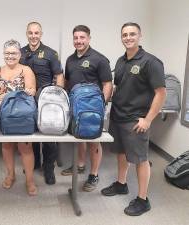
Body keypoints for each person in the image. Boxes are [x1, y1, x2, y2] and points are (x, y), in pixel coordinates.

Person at [101, 22, 166, 216]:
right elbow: (118, 87)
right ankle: (121, 184)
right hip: (118, 115)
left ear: (140, 36)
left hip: (136, 120)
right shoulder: (121, 61)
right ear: (121, 37)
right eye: (125, 35)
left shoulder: (151, 62)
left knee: (140, 159)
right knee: (121, 153)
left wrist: (148, 119)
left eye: (132, 34)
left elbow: (161, 93)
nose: (128, 38)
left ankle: (143, 199)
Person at [63, 25, 113, 192]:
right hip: (76, 107)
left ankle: (94, 175)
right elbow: (67, 82)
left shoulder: (100, 59)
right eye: (76, 38)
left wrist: (102, 105)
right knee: (79, 136)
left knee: (94, 141)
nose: (78, 41)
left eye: (82, 37)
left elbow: (107, 84)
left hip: (94, 108)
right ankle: (81, 165)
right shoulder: (70, 59)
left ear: (89, 38)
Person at [0, 39, 37, 196]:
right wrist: (15, 94)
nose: (10, 56)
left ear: (20, 54)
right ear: (3, 54)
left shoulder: (26, 70)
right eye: (7, 53)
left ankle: (30, 180)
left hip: (21, 115)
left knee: (25, 147)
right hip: (3, 116)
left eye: (14, 53)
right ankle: (10, 175)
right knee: (7, 146)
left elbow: (31, 90)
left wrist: (4, 95)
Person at [20, 21, 64, 185]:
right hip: (27, 100)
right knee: (31, 133)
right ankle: (35, 162)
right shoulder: (20, 52)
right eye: (30, 33)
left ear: (41, 34)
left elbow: (59, 75)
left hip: (47, 100)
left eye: (36, 33)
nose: (33, 36)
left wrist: (59, 96)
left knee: (48, 135)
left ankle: (48, 169)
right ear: (27, 34)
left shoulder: (50, 53)